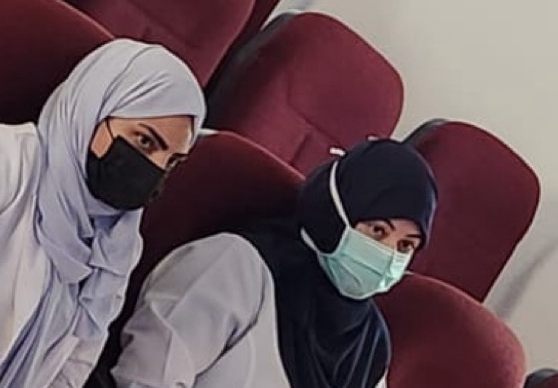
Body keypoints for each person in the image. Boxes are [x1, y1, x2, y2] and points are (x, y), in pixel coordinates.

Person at [0, 39, 205, 388]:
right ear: (94, 108)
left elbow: (76, 363)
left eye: (171, 162)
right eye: (144, 141)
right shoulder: (10, 157)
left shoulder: (118, 242)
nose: (153, 170)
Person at [109, 139, 439, 388]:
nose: (386, 255)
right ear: (335, 213)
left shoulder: (370, 345)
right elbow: (147, 376)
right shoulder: (236, 265)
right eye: (377, 230)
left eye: (405, 246)